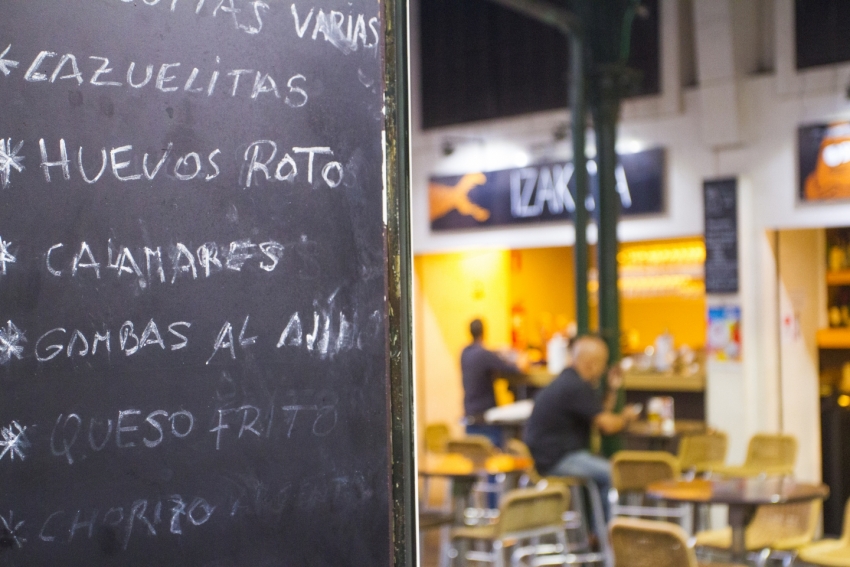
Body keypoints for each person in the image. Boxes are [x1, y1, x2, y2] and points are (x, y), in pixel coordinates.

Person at [523, 335, 638, 519]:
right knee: (615, 473)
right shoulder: (575, 386)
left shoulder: (569, 380)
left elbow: (597, 413)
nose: (603, 370)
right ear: (592, 364)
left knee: (606, 472)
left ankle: (598, 532)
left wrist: (613, 389)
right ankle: (609, 534)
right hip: (556, 460)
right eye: (603, 363)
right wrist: (626, 418)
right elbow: (607, 425)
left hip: (546, 456)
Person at [460, 318, 527, 448]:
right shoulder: (485, 355)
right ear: (484, 332)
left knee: (475, 461)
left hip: (469, 416)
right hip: (485, 420)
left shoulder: (464, 353)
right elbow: (516, 370)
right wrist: (522, 358)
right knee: (497, 456)